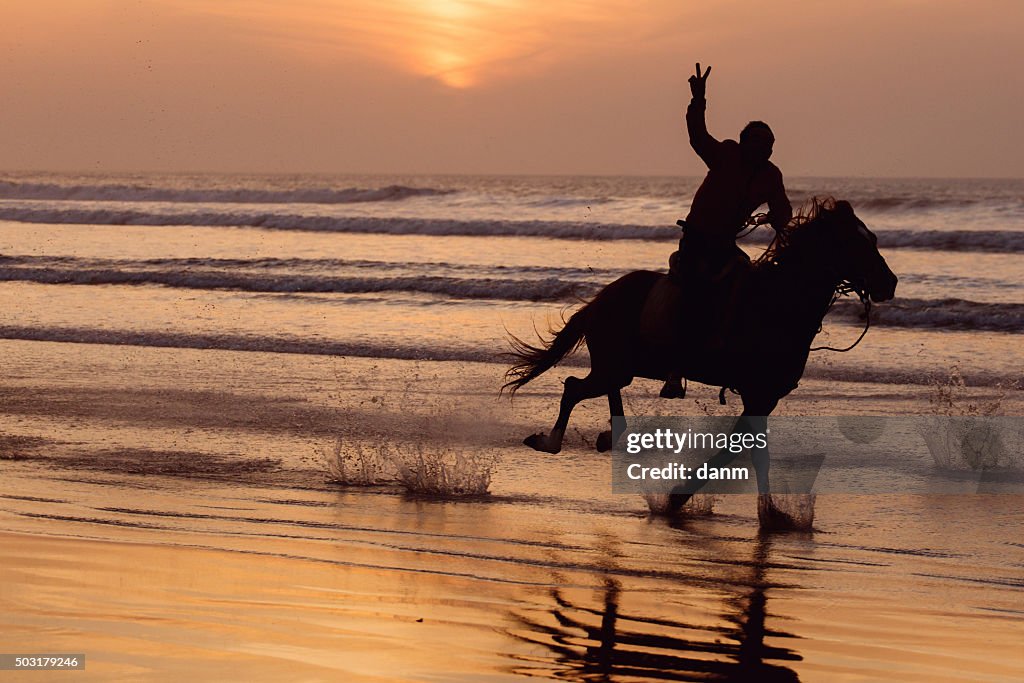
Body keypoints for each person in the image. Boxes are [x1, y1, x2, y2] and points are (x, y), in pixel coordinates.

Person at [661, 63, 793, 398]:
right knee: (693, 290)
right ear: (746, 143)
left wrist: (786, 228)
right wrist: (698, 100)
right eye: (762, 143)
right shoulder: (724, 154)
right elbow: (697, 135)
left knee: (750, 288)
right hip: (697, 239)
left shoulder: (771, 175)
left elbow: (782, 211)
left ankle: (736, 357)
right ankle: (675, 370)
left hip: (724, 245)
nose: (768, 149)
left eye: (771, 144)